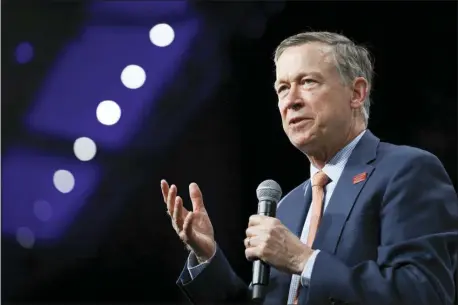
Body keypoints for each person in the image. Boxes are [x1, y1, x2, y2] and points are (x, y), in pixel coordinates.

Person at [160, 31, 458, 305]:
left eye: (308, 82)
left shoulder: (406, 171)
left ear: (357, 93)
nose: (291, 101)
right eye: (282, 88)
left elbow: (425, 292)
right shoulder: (287, 206)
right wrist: (207, 256)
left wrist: (305, 260)